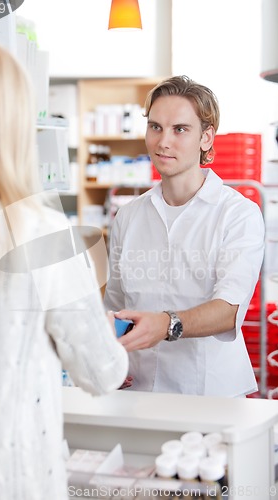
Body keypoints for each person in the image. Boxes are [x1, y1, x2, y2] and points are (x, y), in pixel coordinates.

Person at [0, 41, 128, 500]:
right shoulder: (43, 233)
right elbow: (101, 374)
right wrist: (100, 326)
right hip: (12, 480)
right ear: (13, 126)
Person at [104, 75, 265, 398]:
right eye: (155, 127)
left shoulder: (237, 214)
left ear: (206, 138)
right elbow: (116, 303)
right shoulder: (129, 216)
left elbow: (229, 309)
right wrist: (109, 357)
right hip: (138, 390)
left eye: (180, 129)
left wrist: (167, 324)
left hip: (209, 394)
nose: (164, 142)